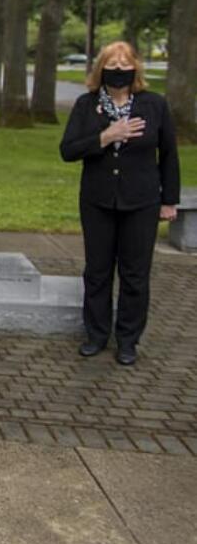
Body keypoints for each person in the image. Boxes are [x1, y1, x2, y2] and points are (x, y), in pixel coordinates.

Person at [60, 41, 180, 367]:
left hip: (141, 202)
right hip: (98, 200)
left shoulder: (154, 105)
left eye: (125, 62)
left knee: (135, 274)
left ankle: (128, 339)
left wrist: (169, 200)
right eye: (112, 62)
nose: (119, 67)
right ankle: (96, 335)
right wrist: (105, 137)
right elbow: (68, 150)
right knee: (97, 272)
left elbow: (168, 154)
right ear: (101, 68)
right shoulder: (87, 106)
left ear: (135, 68)